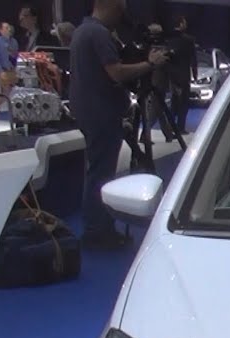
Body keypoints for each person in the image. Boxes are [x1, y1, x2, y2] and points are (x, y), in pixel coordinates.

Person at [69, 0, 168, 248]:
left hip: (88, 110)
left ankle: (96, 227)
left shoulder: (82, 31)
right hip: (101, 111)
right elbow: (117, 72)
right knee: (102, 173)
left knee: (97, 169)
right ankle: (98, 231)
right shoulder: (98, 33)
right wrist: (150, 64)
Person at [166, 15, 197, 136]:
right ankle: (180, 128)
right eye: (184, 22)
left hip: (171, 76)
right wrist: (195, 74)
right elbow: (193, 59)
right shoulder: (189, 40)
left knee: (173, 104)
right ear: (181, 24)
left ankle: (170, 127)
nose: (186, 24)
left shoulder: (169, 40)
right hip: (183, 76)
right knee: (183, 103)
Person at [0, 23, 18, 115]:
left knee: (12, 90)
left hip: (12, 69)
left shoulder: (14, 41)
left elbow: (16, 55)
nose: (8, 29)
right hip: (3, 69)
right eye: (6, 28)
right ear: (1, 30)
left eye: (9, 27)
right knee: (6, 90)